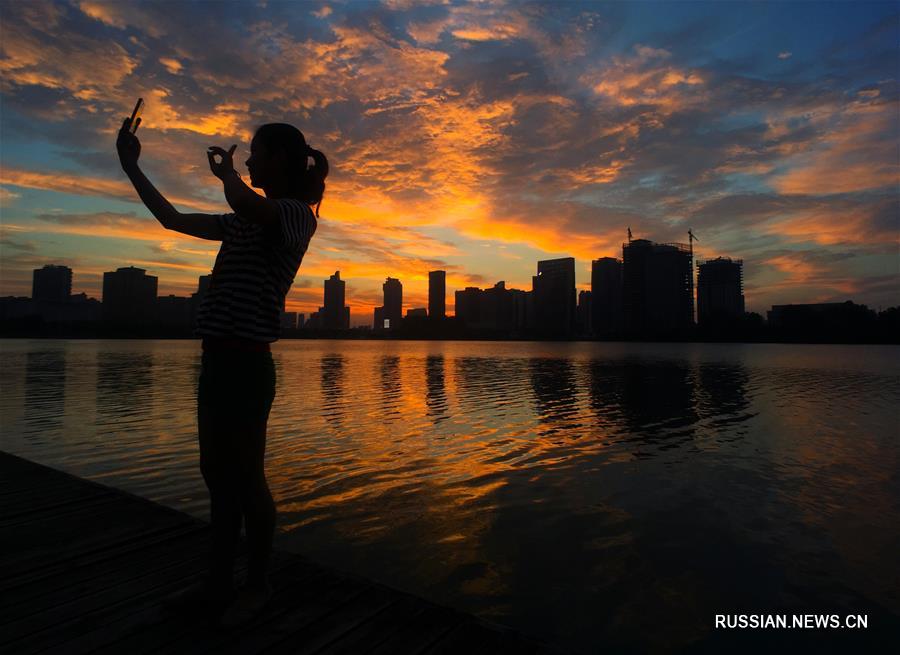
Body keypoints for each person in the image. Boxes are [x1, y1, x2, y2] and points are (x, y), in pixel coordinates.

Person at [116, 116, 327, 627]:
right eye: (247, 156)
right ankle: (216, 583)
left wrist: (226, 174)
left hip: (249, 365)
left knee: (248, 480)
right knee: (217, 477)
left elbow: (249, 203)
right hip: (216, 362)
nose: (250, 161)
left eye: (256, 153)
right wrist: (130, 166)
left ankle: (257, 584)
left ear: (279, 158)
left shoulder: (296, 215)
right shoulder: (241, 222)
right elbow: (170, 219)